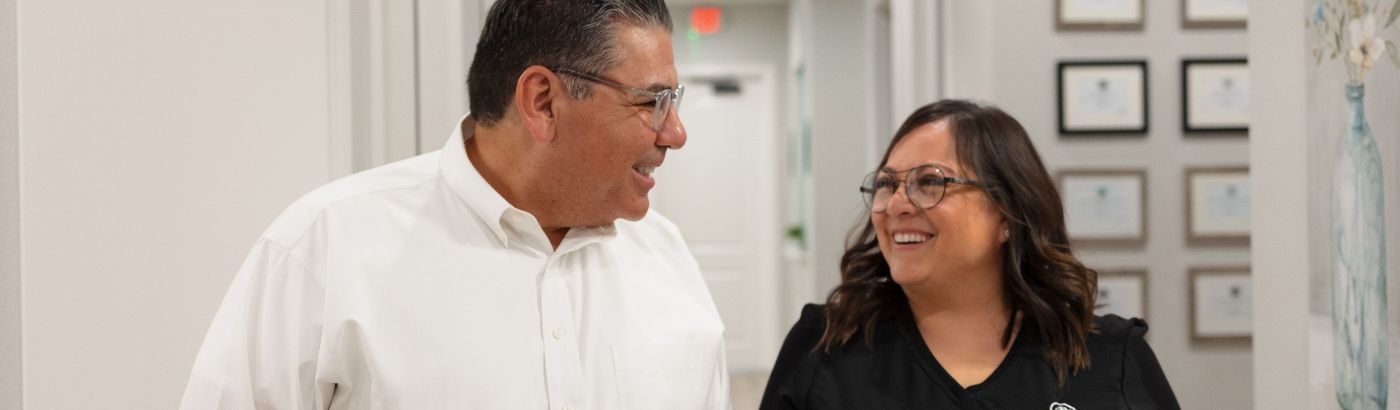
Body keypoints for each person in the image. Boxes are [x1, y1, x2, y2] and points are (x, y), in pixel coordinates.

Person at [180, 1, 731, 408]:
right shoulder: (323, 251)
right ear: (542, 102)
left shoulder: (667, 260)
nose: (675, 133)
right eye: (652, 103)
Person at [760, 100, 1178, 409]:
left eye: (930, 182)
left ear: (1008, 215)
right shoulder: (824, 347)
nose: (897, 204)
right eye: (887, 184)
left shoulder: (1109, 357)